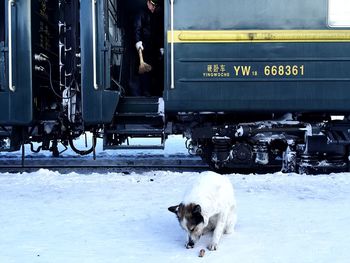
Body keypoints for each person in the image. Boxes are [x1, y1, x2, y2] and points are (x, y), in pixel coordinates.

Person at [131, 0, 163, 96]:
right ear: (148, 3)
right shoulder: (141, 13)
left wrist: (162, 46)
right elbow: (137, 28)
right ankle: (146, 92)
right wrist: (138, 42)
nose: (154, 7)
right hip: (144, 47)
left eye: (155, 6)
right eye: (153, 5)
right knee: (144, 71)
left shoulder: (157, 15)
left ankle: (155, 91)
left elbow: (159, 31)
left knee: (156, 68)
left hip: (155, 47)